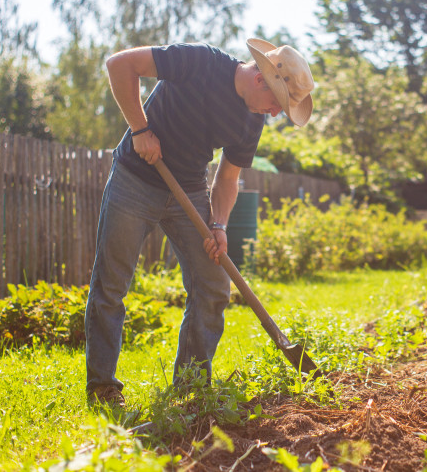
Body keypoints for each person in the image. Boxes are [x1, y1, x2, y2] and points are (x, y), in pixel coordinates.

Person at [84, 39, 315, 407]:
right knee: (112, 284)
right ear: (260, 79)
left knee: (213, 286)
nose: (274, 113)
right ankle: (102, 388)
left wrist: (219, 225)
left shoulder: (251, 121)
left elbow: (226, 179)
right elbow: (119, 65)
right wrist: (140, 130)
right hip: (135, 178)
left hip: (188, 192)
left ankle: (190, 386)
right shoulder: (199, 61)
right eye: (276, 103)